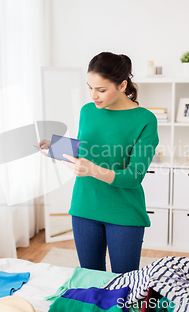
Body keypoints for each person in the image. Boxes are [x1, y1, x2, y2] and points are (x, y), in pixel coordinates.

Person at [38, 52, 159, 273]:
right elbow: (88, 149)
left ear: (122, 85)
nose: (94, 95)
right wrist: (55, 146)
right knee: (90, 277)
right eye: (90, 87)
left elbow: (134, 176)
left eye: (101, 90)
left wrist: (92, 170)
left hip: (124, 212)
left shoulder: (145, 120)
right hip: (84, 207)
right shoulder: (87, 111)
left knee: (124, 284)